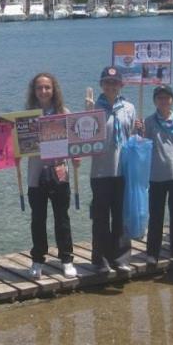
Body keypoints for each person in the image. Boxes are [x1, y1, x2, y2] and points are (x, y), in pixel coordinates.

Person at [24, 73, 77, 280]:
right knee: (38, 219)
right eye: (39, 88)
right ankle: (38, 260)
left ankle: (67, 259)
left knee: (62, 218)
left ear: (54, 89)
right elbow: (13, 137)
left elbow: (75, 142)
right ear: (34, 91)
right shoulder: (27, 115)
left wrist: (77, 156)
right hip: (35, 175)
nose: (43, 91)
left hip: (59, 173)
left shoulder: (64, 113)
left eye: (47, 87)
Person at [86, 66, 139, 273]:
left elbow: (132, 135)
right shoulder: (93, 107)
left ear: (121, 85)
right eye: (107, 82)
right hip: (100, 171)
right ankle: (100, 259)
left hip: (123, 170)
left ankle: (121, 258)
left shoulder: (129, 107)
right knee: (100, 217)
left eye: (114, 82)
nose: (111, 86)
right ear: (101, 84)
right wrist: (88, 113)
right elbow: (83, 138)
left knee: (120, 215)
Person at [142, 85, 173, 266]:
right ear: (155, 101)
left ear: (172, 100)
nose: (163, 101)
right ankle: (152, 252)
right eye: (160, 98)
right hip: (156, 176)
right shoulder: (149, 122)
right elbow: (141, 145)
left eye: (167, 97)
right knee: (156, 215)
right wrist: (138, 131)